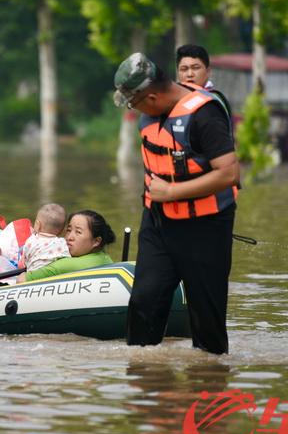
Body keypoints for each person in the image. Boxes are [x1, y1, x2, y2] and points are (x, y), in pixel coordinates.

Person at [114, 52, 239, 355]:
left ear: (152, 97)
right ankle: (146, 383)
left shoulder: (205, 114)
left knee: (206, 320)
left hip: (204, 227)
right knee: (144, 300)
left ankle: (208, 387)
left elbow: (229, 173)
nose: (133, 109)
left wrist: (171, 192)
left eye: (134, 102)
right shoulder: (152, 113)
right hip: (158, 223)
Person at [24, 210, 115, 281]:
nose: (69, 237)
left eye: (78, 232)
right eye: (69, 230)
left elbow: (22, 280)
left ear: (96, 241)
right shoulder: (106, 258)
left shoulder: (65, 265)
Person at [176, 44, 233, 119]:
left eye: (196, 68)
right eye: (184, 69)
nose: (190, 74)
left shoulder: (213, 103)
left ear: (208, 71)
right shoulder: (171, 101)